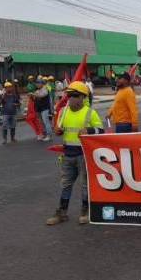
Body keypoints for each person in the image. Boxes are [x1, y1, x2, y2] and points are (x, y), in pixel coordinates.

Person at [47, 81, 104, 226]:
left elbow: (101, 131)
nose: (70, 98)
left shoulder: (90, 113)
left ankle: (85, 211)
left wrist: (89, 131)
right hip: (67, 155)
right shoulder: (63, 111)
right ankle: (62, 212)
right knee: (65, 184)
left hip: (84, 155)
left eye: (75, 95)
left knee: (85, 185)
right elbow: (59, 129)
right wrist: (58, 131)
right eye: (69, 95)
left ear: (83, 97)